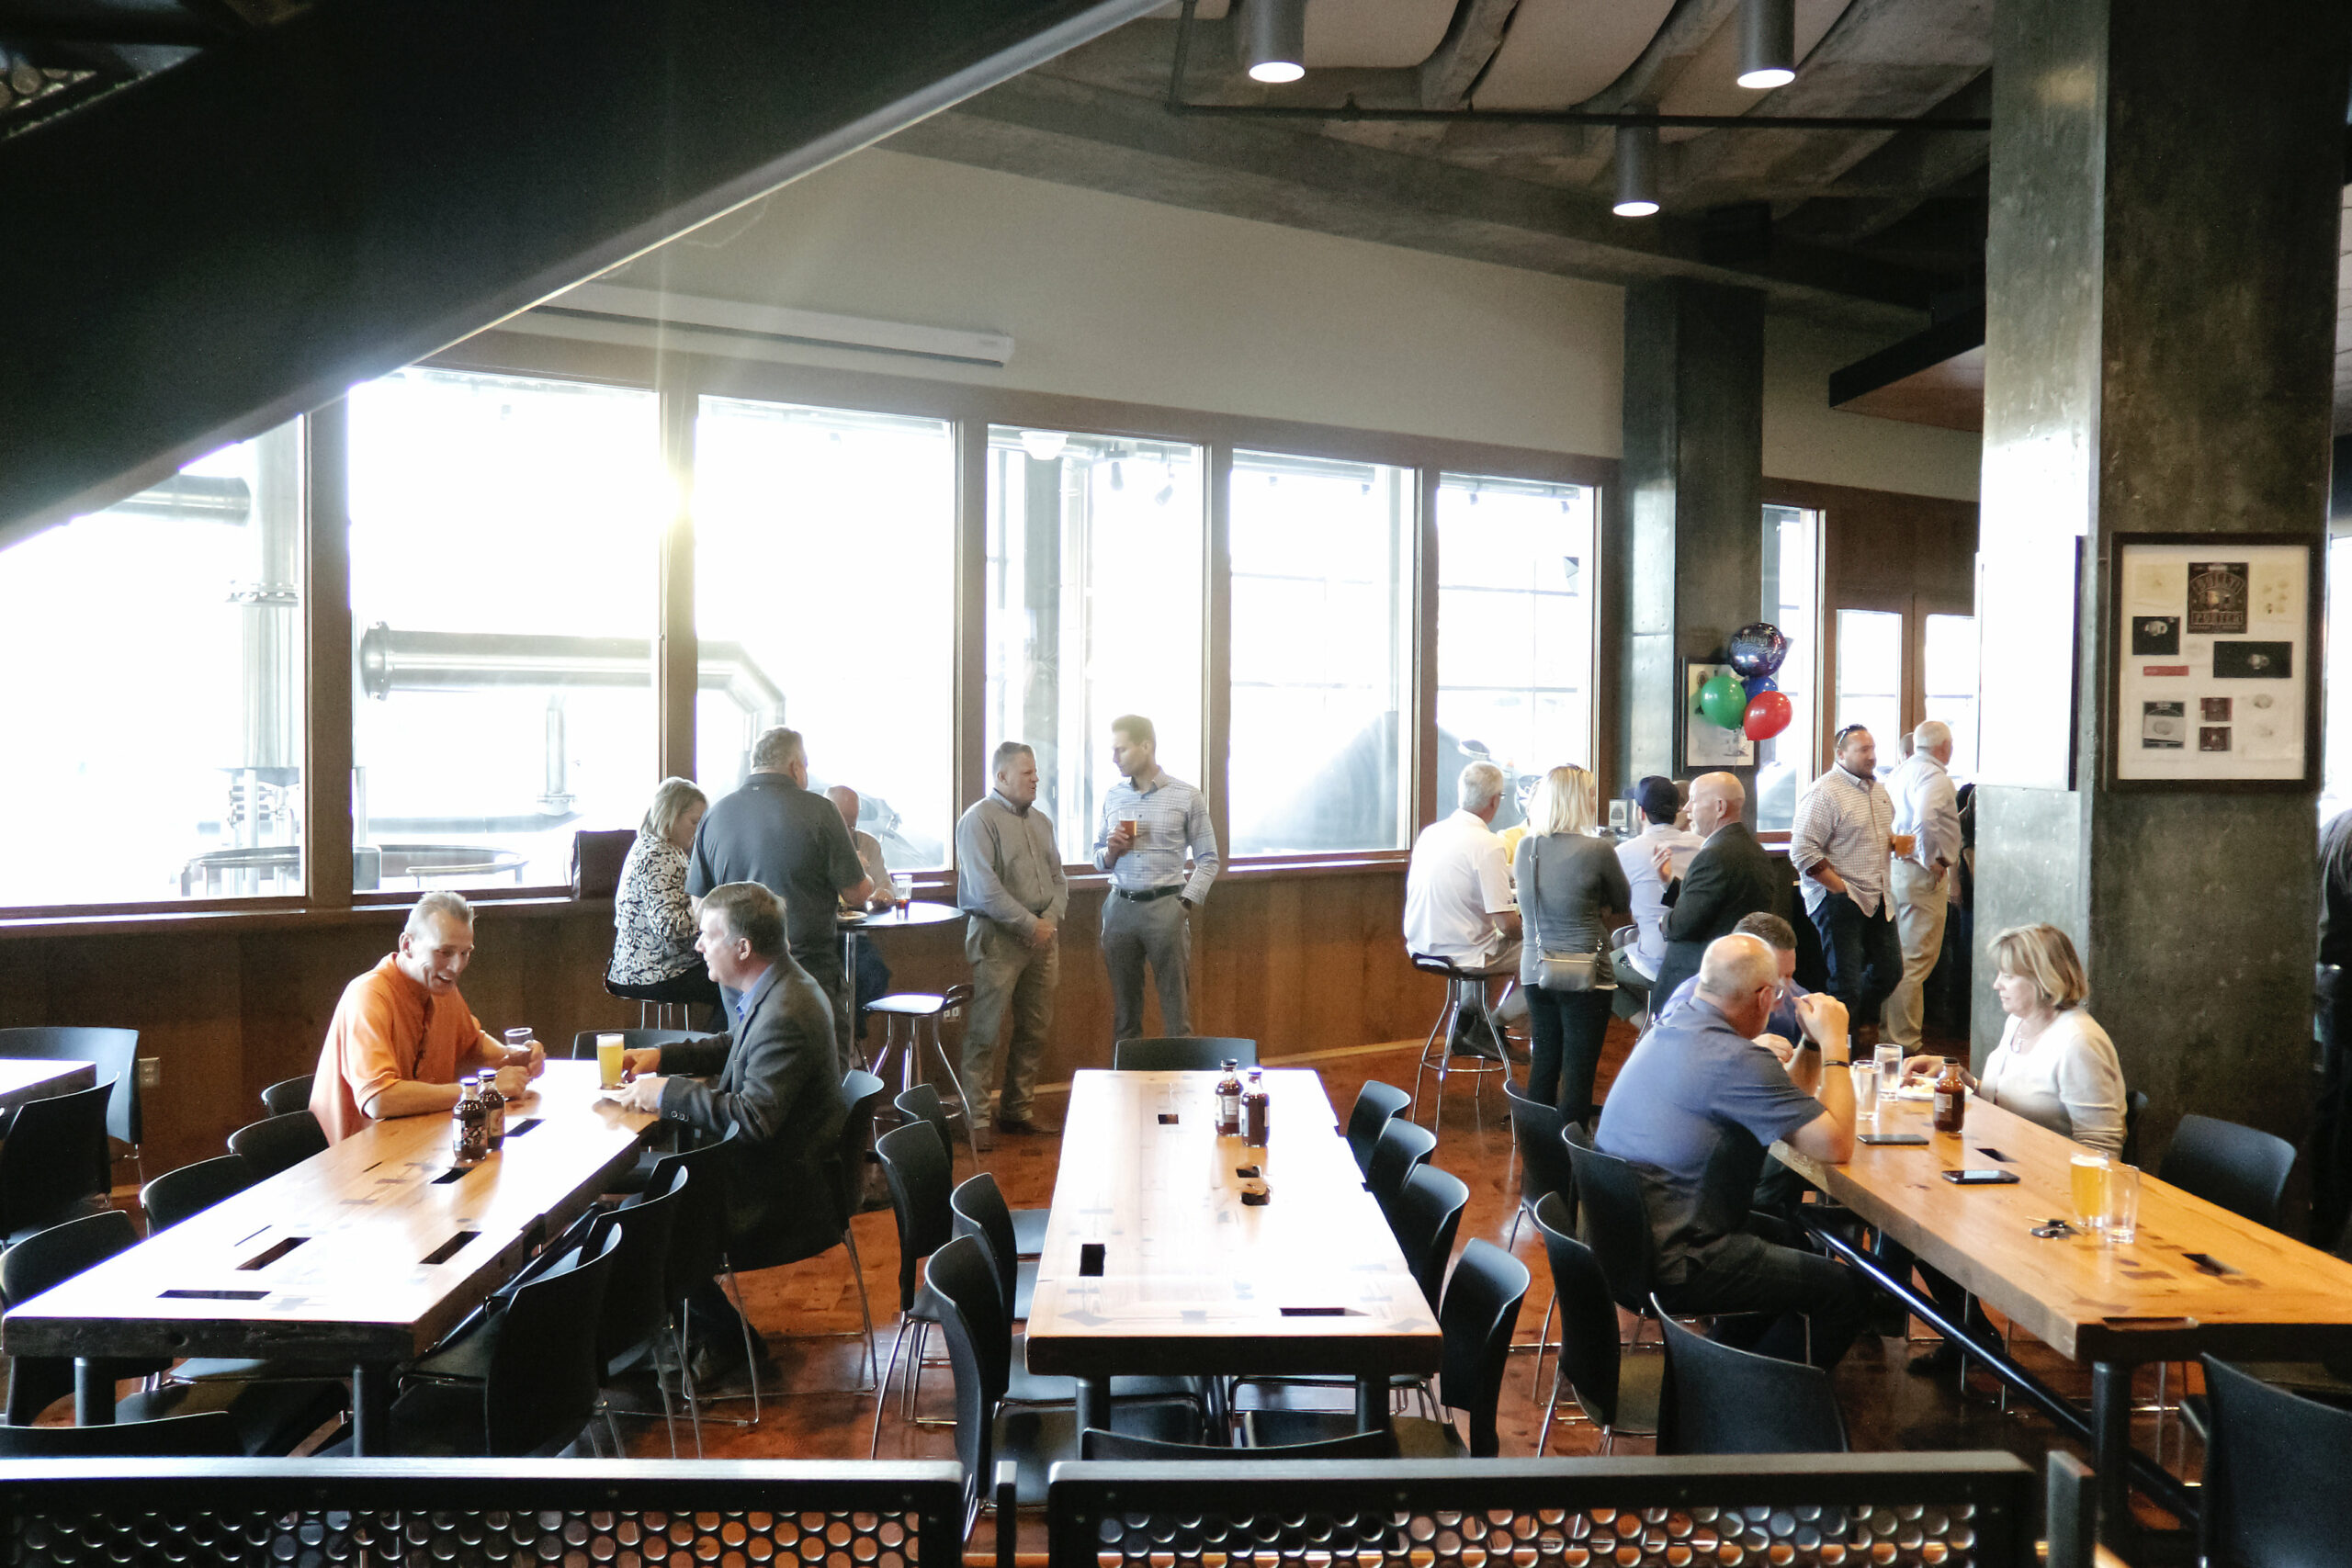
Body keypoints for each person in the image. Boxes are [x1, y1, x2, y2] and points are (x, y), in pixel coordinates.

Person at [1594, 932, 1868, 1368]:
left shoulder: (1673, 1020)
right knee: (1847, 1292)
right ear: (1763, 997)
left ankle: (1723, 1363)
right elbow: (1834, 1145)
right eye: (1779, 992)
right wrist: (1836, 1044)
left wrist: (1811, 1043)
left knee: (1789, 1236)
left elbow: (1784, 1109)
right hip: (1681, 1258)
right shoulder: (1735, 1058)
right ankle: (1751, 1404)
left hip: (1628, 1244)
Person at [613, 882, 850, 1381]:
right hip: (768, 1171)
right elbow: (735, 1044)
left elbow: (754, 1119)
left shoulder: (787, 1009)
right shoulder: (780, 986)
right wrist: (666, 1058)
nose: (698, 945)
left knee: (639, 1221)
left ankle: (723, 1339)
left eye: (707, 935)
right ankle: (698, 1335)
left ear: (742, 948)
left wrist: (666, 1094)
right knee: (640, 1201)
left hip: (775, 1194)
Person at [687, 727, 872, 1075]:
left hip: (738, 974)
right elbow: (856, 894)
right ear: (795, 766)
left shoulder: (715, 815)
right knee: (824, 1072)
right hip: (806, 968)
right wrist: (869, 876)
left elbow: (700, 905)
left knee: (749, 1065)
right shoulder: (821, 811)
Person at [309, 891, 545, 1144]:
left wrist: (513, 1057)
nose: (456, 967)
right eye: (444, 952)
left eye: (465, 953)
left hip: (415, 1144)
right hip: (354, 1159)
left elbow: (473, 1046)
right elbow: (378, 1100)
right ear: (407, 945)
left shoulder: (442, 989)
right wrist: (480, 1090)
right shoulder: (369, 995)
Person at [1902, 922, 2126, 1156]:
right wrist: (1959, 1076)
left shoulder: (2079, 1042)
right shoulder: (2018, 1021)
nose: (1996, 984)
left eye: (2007, 976)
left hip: (2045, 1179)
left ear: (2042, 980)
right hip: (2001, 1159)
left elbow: (2102, 1149)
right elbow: (2005, 1105)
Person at [956, 741, 1069, 1144]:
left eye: (1036, 771)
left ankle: (1017, 1111)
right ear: (1001, 777)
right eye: (1027, 772)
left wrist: (1049, 921)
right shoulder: (977, 821)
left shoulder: (1041, 821)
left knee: (1034, 1028)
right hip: (998, 937)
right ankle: (977, 1121)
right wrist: (1029, 925)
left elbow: (1059, 880)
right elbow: (985, 890)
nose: (1037, 778)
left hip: (1043, 937)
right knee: (985, 1032)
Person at [1513, 764, 1630, 1120]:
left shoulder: (1525, 847)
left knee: (1544, 1061)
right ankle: (1572, 1150)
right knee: (1579, 1070)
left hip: (1536, 967)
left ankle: (1537, 1148)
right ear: (1580, 801)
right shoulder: (1598, 850)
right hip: (1586, 971)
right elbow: (1623, 903)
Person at [1094, 715, 1220, 1041]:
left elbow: (1208, 860)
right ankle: (1123, 1090)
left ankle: (1182, 1089)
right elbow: (1097, 858)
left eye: (1121, 749)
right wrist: (1110, 853)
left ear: (1146, 746)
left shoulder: (1187, 796)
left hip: (1166, 905)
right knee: (1124, 1015)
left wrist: (1184, 905)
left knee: (1176, 1015)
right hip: (1119, 906)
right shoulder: (1113, 796)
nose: (1114, 758)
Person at [1792, 724, 1904, 1051]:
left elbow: (1876, 837)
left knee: (1890, 972)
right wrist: (1837, 888)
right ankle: (1839, 1057)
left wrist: (1894, 844)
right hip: (1841, 897)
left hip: (1879, 893)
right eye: (1863, 750)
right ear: (1841, 755)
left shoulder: (1879, 791)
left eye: (1873, 748)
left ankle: (1852, 1025)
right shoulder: (1824, 792)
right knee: (1846, 985)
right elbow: (1801, 850)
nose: (1872, 756)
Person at [1404, 761, 1522, 1059]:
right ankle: (1492, 1025)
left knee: (1481, 937)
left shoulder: (1430, 833)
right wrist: (1536, 928)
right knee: (1549, 954)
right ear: (1495, 800)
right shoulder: (1487, 844)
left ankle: (1467, 1025)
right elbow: (1507, 925)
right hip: (1464, 953)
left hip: (1421, 947)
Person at [1648, 772, 1778, 1008]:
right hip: (1737, 974)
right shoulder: (1752, 849)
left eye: (1694, 800)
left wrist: (1663, 921)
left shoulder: (1714, 855)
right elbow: (1715, 903)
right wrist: (1669, 883)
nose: (1686, 809)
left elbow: (1682, 925)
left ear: (1719, 807)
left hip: (1699, 982)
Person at [607, 776, 722, 1016]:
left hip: (636, 968)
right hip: (655, 972)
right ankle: (717, 1050)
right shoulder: (660, 855)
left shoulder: (649, 845)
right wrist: (712, 909)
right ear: (671, 816)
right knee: (733, 978)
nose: (698, 831)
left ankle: (715, 1047)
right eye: (694, 822)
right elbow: (668, 926)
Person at [1883, 719, 1961, 1053]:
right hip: (1920, 876)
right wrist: (1929, 858)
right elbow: (1927, 818)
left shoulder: (1899, 772)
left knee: (1898, 958)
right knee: (1914, 962)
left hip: (1895, 871)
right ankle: (1905, 1041)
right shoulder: (1935, 776)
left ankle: (1891, 1036)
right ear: (1945, 747)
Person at [1613, 775, 1702, 995]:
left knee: (1598, 968)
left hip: (1654, 959)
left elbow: (1612, 902)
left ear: (1641, 812)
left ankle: (1645, 1022)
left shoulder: (1625, 852)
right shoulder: (1702, 845)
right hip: (1697, 958)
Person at [825, 784, 894, 1044]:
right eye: (843, 825)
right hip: (821, 935)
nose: (848, 832)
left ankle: (852, 1038)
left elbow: (886, 885)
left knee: (874, 974)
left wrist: (883, 895)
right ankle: (845, 1041)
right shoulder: (815, 842)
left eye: (852, 825)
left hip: (856, 932)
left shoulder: (868, 844)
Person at [2315, 807, 2352, 1247]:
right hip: (2348, 983)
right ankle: (2334, 1232)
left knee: (2334, 1103)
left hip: (2331, 977)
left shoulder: (2338, 823)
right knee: (2346, 1108)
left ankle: (2324, 1221)